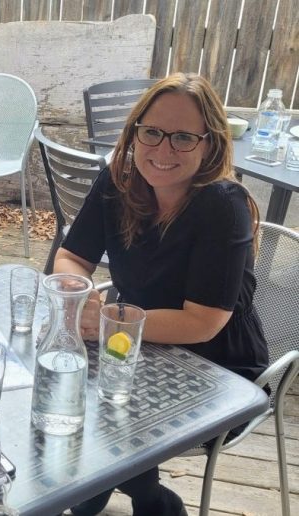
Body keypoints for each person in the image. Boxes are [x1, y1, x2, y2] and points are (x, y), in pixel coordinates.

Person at [54, 73, 269, 515]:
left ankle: (147, 498)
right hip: (134, 345)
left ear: (210, 145)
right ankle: (98, 486)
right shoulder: (117, 181)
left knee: (106, 407)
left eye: (184, 137)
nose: (163, 149)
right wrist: (81, 295)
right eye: (152, 131)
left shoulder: (222, 205)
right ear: (135, 131)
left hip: (218, 366)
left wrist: (112, 322)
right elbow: (71, 256)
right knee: (60, 381)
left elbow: (203, 322)